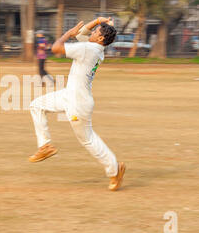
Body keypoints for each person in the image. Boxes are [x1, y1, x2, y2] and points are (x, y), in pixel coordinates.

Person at [28, 17, 126, 191]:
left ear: (101, 38)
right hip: (70, 96)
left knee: (88, 140)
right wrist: (97, 21)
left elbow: (56, 48)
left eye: (96, 32)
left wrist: (68, 34)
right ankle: (45, 146)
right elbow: (83, 35)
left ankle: (115, 170)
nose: (93, 32)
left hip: (77, 102)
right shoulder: (95, 49)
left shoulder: (89, 49)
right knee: (36, 105)